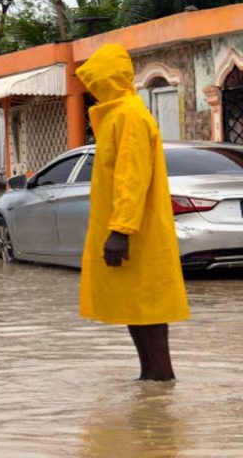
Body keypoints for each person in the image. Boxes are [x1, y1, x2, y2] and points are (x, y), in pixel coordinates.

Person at [75, 43, 190, 381]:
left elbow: (132, 177)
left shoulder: (129, 116)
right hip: (130, 228)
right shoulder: (118, 115)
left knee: (148, 308)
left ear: (108, 78)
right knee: (134, 307)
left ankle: (161, 379)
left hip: (137, 231)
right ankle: (150, 384)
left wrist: (121, 230)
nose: (92, 90)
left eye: (95, 82)